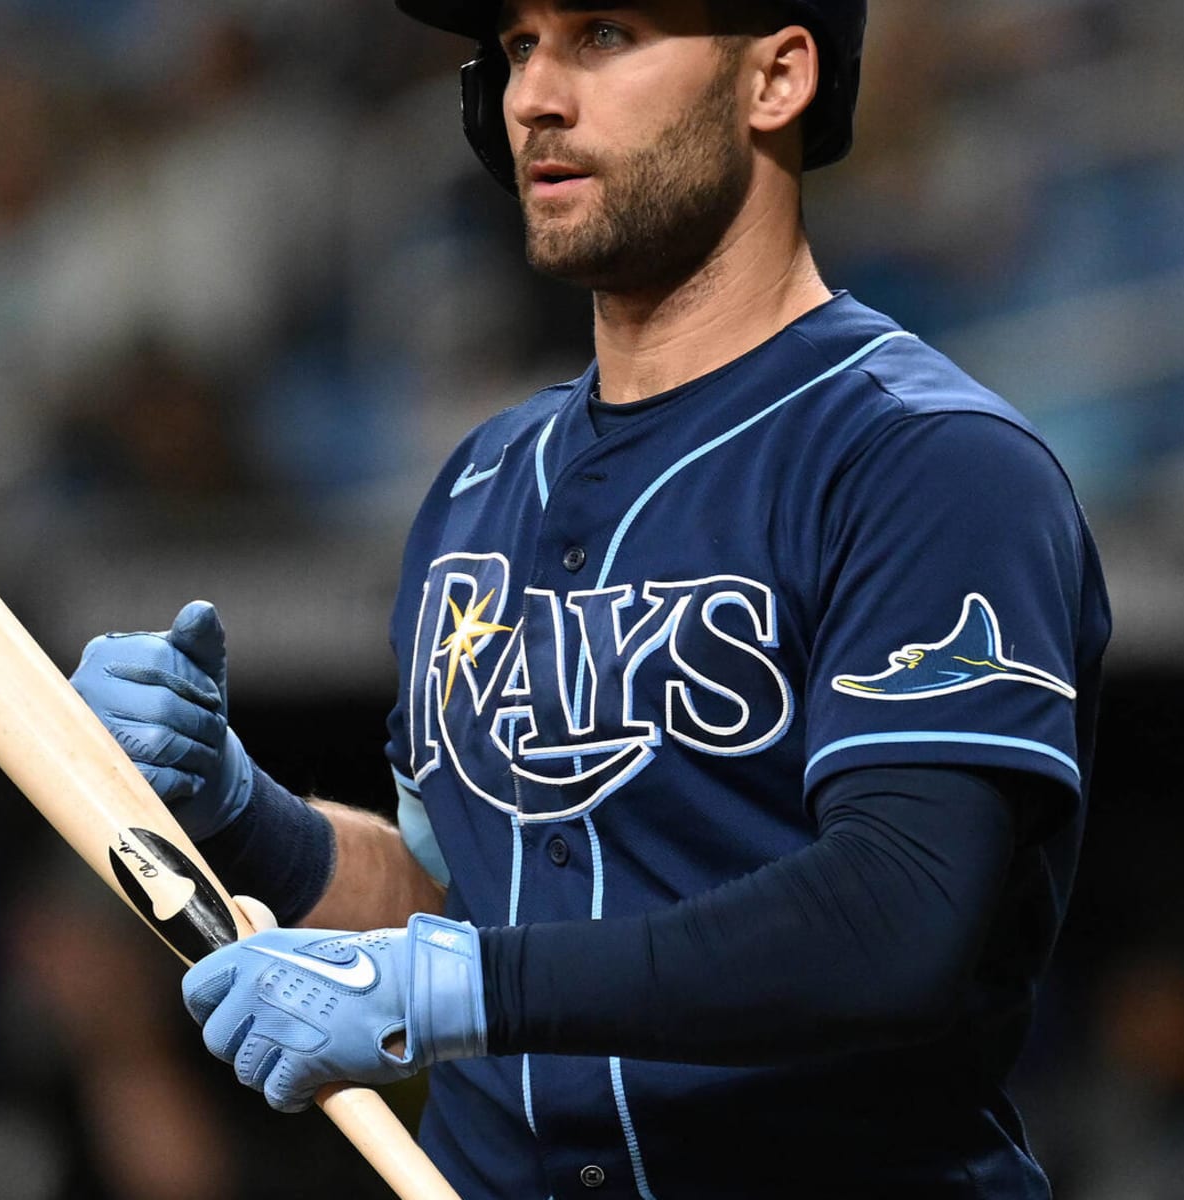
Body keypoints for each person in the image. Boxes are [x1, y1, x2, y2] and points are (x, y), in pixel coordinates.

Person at [70, 1, 1112, 1195]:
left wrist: (457, 994)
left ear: (775, 77)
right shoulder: (478, 483)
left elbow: (896, 917)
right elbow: (457, 898)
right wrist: (242, 810)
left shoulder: (927, 462)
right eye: (518, 45)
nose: (533, 96)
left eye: (604, 34)